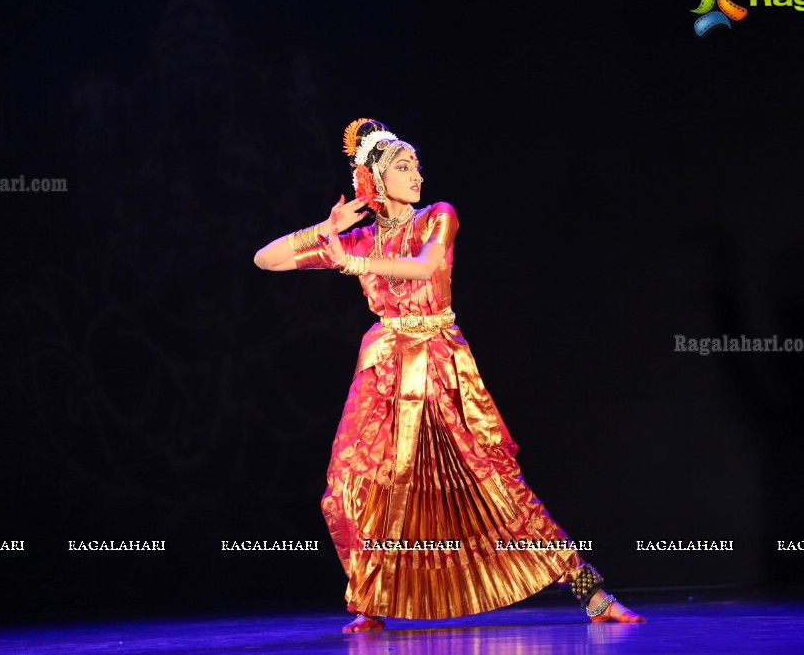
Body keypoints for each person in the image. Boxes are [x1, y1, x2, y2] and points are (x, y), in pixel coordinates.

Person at [254, 119, 645, 632]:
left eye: (416, 164)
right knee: (351, 486)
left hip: (439, 365)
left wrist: (352, 259)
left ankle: (591, 594)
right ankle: (370, 601)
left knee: (496, 484)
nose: (416, 174)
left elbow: (422, 268)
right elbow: (266, 259)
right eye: (402, 166)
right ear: (374, 178)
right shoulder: (363, 236)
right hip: (385, 369)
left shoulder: (438, 217)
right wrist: (326, 233)